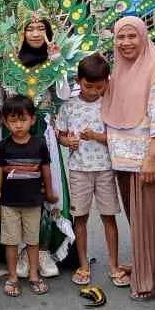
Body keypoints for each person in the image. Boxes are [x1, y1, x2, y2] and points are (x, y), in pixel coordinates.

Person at [0, 13, 74, 279]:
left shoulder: (54, 63)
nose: (35, 33)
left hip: (43, 136)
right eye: (30, 29)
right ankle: (20, 250)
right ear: (21, 33)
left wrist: (58, 61)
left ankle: (44, 249)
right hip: (12, 138)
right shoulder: (6, 63)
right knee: (15, 192)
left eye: (40, 28)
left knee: (47, 188)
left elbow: (64, 95)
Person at [102, 16, 155, 301]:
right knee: (138, 221)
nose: (125, 43)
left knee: (151, 221)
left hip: (147, 160)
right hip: (122, 160)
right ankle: (150, 268)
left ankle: (152, 278)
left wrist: (151, 157)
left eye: (132, 36)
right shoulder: (118, 69)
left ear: (144, 37)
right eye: (120, 37)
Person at [55, 54, 127, 288]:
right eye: (88, 86)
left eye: (99, 86)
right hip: (79, 170)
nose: (94, 91)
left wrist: (95, 136)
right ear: (78, 80)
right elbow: (61, 136)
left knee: (109, 216)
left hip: (106, 169)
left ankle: (114, 265)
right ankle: (83, 264)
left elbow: (117, 137)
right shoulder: (69, 107)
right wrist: (69, 143)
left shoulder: (110, 104)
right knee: (80, 217)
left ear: (107, 82)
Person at [0, 94, 58, 297]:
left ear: (32, 120)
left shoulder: (39, 144)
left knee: (32, 241)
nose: (18, 125)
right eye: (13, 121)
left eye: (23, 120)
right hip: (9, 203)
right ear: (5, 122)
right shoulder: (2, 147)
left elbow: (46, 169)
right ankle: (12, 277)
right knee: (11, 241)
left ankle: (34, 276)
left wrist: (49, 192)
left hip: (34, 202)